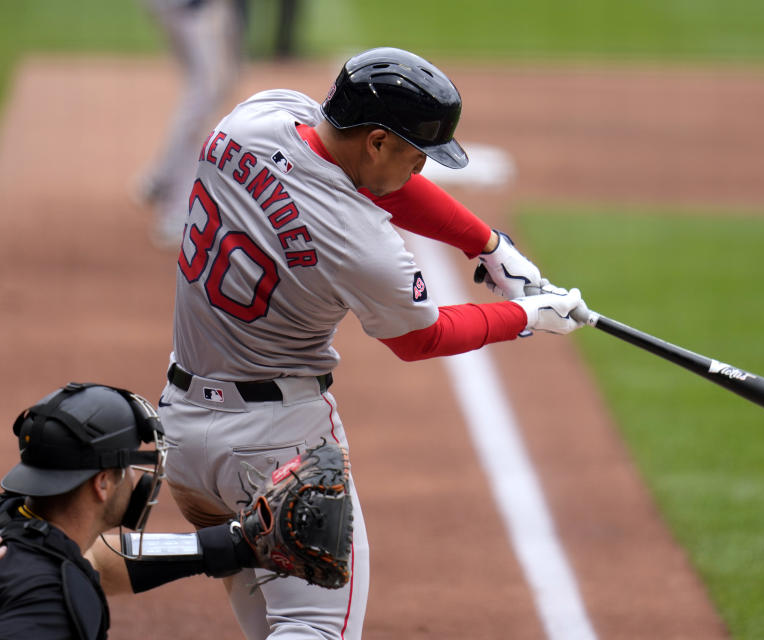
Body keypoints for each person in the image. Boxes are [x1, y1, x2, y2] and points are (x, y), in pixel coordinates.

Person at [158, 46, 586, 639]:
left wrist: (488, 245)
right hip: (276, 453)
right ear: (379, 141)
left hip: (181, 436)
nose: (418, 172)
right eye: (414, 156)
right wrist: (526, 315)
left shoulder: (254, 120)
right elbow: (421, 337)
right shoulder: (362, 246)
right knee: (313, 627)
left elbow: (358, 174)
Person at [0, 382, 260, 639]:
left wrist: (228, 545)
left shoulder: (19, 527)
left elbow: (96, 561)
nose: (134, 478)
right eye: (129, 467)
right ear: (102, 483)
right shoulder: (47, 604)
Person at [135, 0, 245, 248]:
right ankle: (177, 208)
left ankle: (163, 177)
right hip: (191, 8)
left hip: (196, 9)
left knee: (217, 86)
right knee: (203, 98)